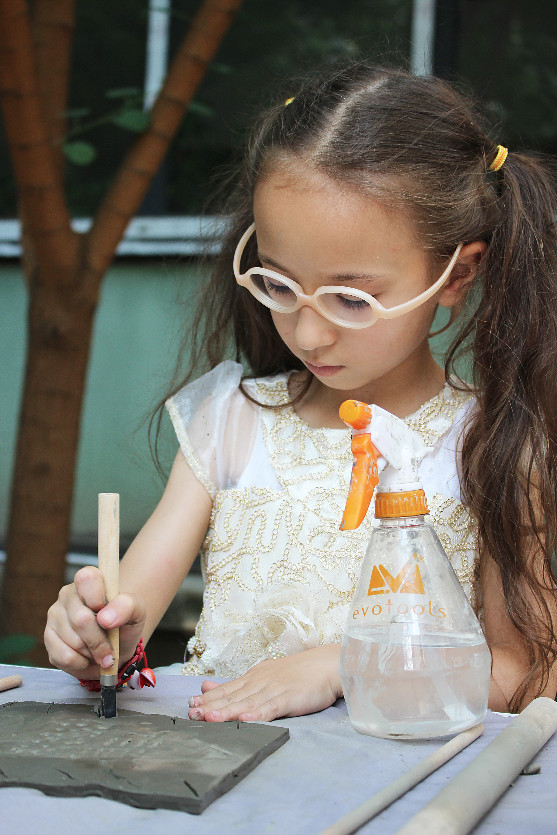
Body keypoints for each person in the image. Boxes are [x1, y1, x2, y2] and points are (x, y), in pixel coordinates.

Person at [44, 63, 557, 721]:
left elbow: (527, 672)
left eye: (349, 297)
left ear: (457, 275)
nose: (307, 332)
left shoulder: (489, 442)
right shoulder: (231, 419)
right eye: (279, 285)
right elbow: (127, 623)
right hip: (215, 779)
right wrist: (95, 634)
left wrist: (347, 663)